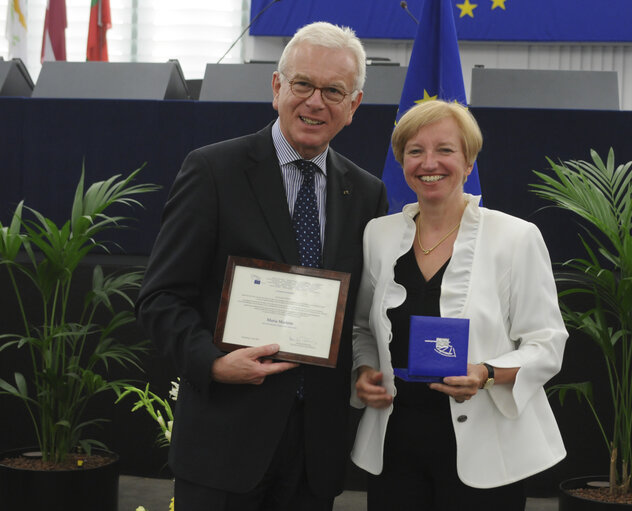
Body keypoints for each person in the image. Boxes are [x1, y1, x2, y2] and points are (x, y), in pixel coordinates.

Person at [136, 22, 387, 511]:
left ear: (353, 107)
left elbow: (361, 314)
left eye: (333, 91)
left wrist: (366, 368)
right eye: (302, 84)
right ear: (277, 88)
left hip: (314, 453)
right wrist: (212, 361)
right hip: (223, 446)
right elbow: (160, 298)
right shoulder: (213, 171)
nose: (315, 102)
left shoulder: (366, 193)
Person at [350, 100, 568, 511]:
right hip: (395, 446)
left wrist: (486, 373)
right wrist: (364, 371)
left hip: (487, 446)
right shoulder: (377, 235)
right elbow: (363, 328)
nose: (429, 162)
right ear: (401, 162)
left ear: (468, 162)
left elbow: (547, 343)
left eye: (445, 150)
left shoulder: (516, 237)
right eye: (415, 151)